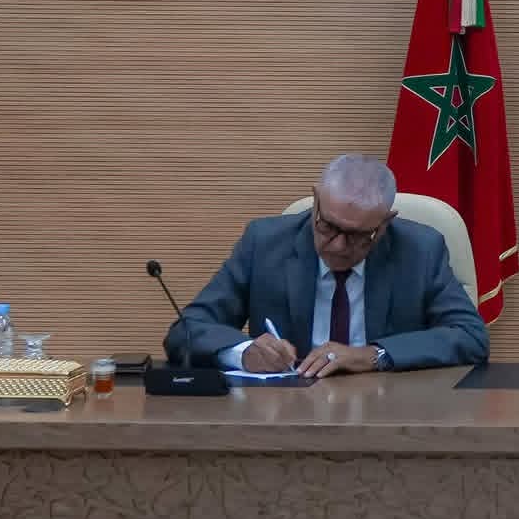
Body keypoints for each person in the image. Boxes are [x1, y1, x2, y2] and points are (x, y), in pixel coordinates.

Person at [165, 154, 489, 377]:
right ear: (316, 200)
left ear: (385, 223)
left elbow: (471, 337)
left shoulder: (420, 250)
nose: (337, 246)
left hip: (388, 412)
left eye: (358, 235)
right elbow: (187, 330)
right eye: (328, 226)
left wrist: (372, 355)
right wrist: (244, 351)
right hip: (286, 415)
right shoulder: (264, 243)